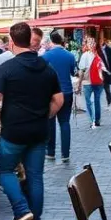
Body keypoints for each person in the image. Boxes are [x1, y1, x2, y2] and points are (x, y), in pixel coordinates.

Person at [0, 22, 63, 220]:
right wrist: (44, 115)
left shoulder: (6, 68)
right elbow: (59, 100)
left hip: (14, 131)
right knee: (35, 177)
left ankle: (21, 209)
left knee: (4, 171)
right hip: (39, 131)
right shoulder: (46, 68)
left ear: (11, 42)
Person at [42, 31, 77, 164]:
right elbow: (73, 72)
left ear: (51, 41)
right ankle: (65, 154)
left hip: (50, 94)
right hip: (66, 91)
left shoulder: (45, 56)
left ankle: (50, 152)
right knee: (65, 122)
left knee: (50, 122)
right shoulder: (70, 55)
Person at [78, 38, 104, 128]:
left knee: (89, 101)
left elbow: (81, 71)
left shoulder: (85, 55)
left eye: (92, 43)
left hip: (88, 82)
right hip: (97, 82)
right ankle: (96, 120)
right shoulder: (100, 54)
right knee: (96, 100)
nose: (91, 45)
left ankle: (93, 120)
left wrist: (79, 84)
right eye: (90, 43)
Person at [99, 40, 111, 105]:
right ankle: (99, 101)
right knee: (100, 88)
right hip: (100, 71)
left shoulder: (109, 49)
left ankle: (109, 101)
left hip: (107, 71)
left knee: (107, 88)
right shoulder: (97, 50)